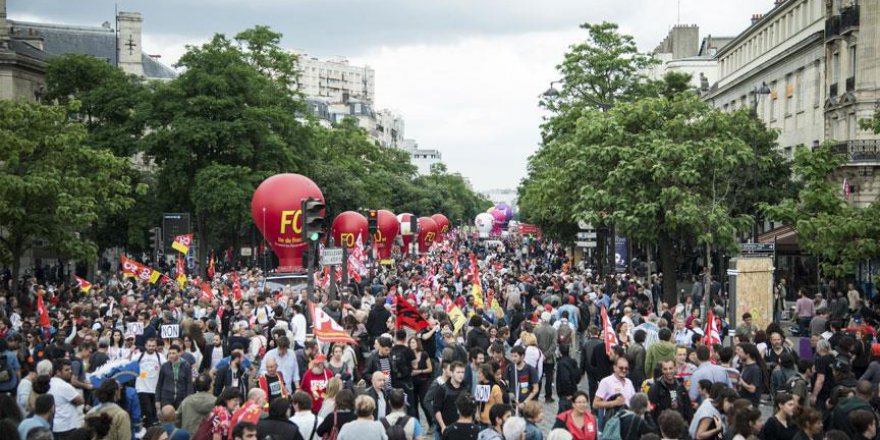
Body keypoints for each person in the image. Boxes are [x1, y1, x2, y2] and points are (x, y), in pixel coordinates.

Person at [593, 356, 635, 430]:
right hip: (612, 424)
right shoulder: (606, 382)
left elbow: (633, 402)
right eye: (621, 368)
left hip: (628, 423)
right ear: (614, 368)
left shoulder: (629, 382)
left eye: (626, 368)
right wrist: (614, 403)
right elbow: (595, 404)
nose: (624, 370)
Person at [50, 359, 85, 440]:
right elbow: (80, 400)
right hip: (67, 426)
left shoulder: (50, 382)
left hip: (56, 425)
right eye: (66, 370)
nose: (70, 371)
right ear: (58, 372)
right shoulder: (64, 386)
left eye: (70, 369)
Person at [136, 338, 166, 427]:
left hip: (155, 388)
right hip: (142, 388)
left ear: (156, 346)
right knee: (147, 411)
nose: (151, 348)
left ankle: (152, 429)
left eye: (153, 346)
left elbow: (166, 367)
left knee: (153, 411)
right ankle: (148, 430)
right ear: (145, 346)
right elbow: (130, 364)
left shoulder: (160, 356)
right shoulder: (139, 355)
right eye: (149, 346)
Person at [157, 344, 193, 409]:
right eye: (170, 353)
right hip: (166, 398)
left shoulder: (186, 366)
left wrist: (189, 398)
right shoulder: (164, 366)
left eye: (173, 353)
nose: (171, 355)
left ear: (179, 353)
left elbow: (189, 383)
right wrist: (157, 400)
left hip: (181, 398)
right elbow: (159, 383)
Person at [434, 361, 466, 434]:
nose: (461, 375)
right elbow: (436, 409)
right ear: (451, 373)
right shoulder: (442, 389)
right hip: (447, 428)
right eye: (458, 372)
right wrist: (442, 426)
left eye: (462, 372)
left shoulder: (466, 388)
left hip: (462, 429)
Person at [533, 312, 557, 403]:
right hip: (550, 359)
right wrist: (546, 355)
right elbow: (554, 345)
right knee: (549, 378)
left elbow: (534, 343)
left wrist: (541, 355)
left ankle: (536, 396)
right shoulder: (553, 330)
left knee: (538, 377)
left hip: (538, 358)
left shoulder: (536, 329)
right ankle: (548, 396)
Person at [410, 336, 434, 424]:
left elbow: (430, 369)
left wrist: (419, 371)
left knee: (424, 403)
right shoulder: (408, 355)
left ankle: (431, 422)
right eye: (410, 343)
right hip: (412, 382)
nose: (412, 344)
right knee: (414, 404)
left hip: (423, 381)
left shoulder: (424, 354)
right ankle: (417, 425)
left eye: (413, 342)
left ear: (417, 343)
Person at [736, 343, 765, 407]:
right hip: (743, 402)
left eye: (741, 352)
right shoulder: (745, 366)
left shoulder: (755, 369)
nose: (739, 355)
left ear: (748, 354)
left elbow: (752, 389)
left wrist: (741, 381)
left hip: (750, 405)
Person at [554, 344, 580, 413]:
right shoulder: (573, 362)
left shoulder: (561, 364)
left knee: (563, 417)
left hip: (565, 395)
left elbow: (565, 379)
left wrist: (569, 393)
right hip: (574, 391)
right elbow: (578, 375)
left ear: (560, 352)